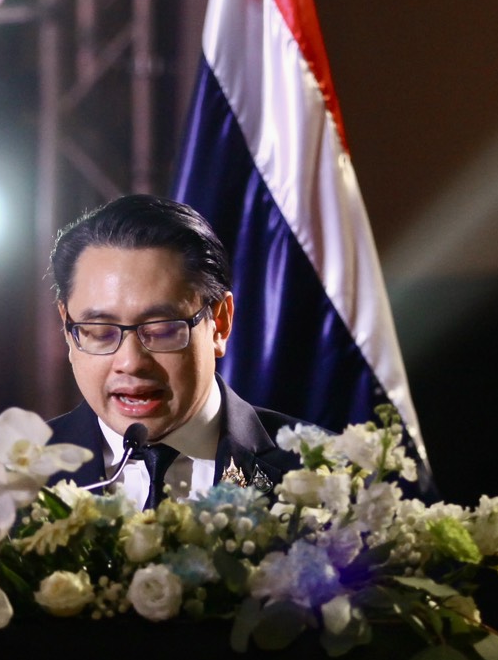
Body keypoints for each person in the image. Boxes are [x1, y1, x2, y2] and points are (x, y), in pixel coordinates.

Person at [46, 193, 304, 506]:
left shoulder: (327, 474)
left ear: (219, 323)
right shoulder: (7, 481)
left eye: (161, 330)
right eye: (101, 332)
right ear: (67, 326)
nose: (131, 362)